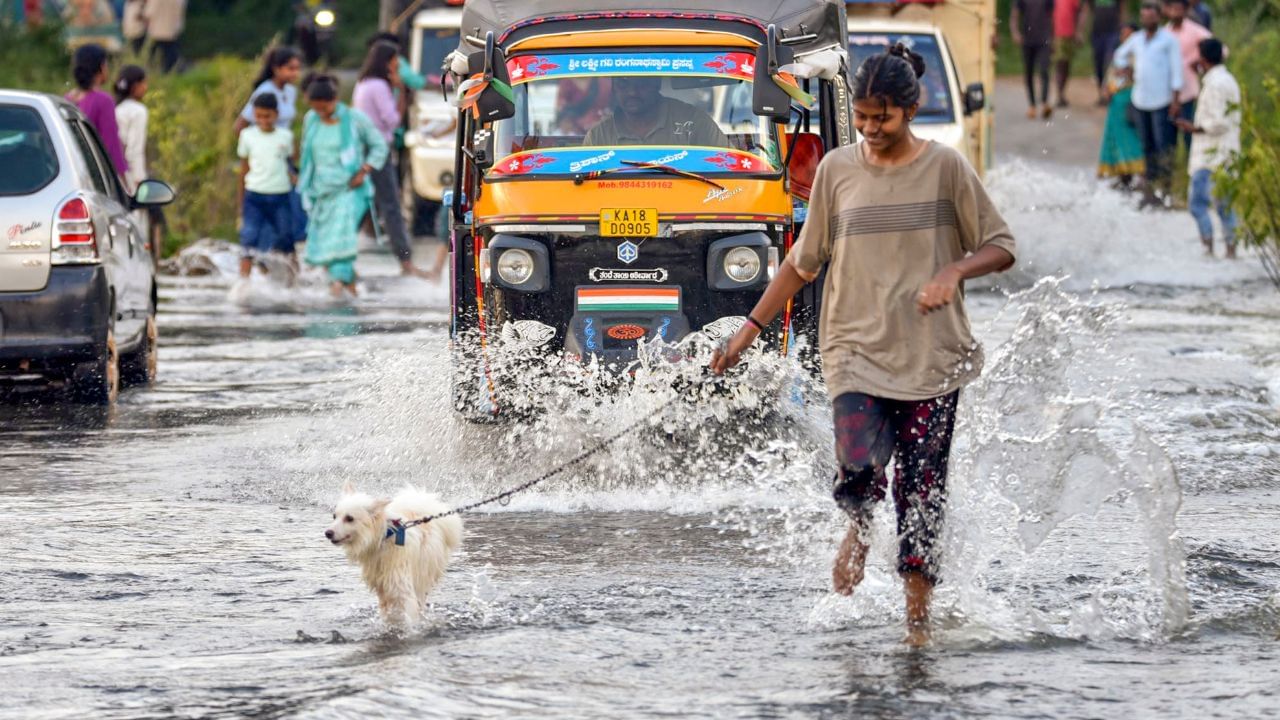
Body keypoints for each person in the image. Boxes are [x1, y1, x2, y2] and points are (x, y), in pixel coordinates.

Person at [710, 44, 1016, 645]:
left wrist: (953, 272)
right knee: (858, 467)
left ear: (911, 108)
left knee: (922, 491)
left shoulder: (947, 169)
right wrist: (748, 331)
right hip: (852, 350)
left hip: (932, 358)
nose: (872, 129)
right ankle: (857, 525)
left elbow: (1001, 245)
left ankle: (917, 619)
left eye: (884, 117)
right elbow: (802, 264)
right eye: (865, 116)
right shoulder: (837, 170)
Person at [297, 76, 389, 297]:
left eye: (325, 108)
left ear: (335, 100)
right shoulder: (311, 119)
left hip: (350, 189)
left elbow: (379, 145)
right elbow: (306, 151)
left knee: (341, 240)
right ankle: (351, 290)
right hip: (322, 190)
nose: (321, 113)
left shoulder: (355, 119)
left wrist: (364, 169)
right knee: (325, 241)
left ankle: (336, 289)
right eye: (316, 109)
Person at [353, 41, 431, 278]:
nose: (399, 65)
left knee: (363, 203)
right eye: (396, 60)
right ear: (388, 61)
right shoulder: (380, 86)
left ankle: (334, 253)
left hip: (363, 147)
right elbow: (392, 120)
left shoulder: (363, 83)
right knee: (391, 205)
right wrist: (400, 92)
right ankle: (405, 260)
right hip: (378, 148)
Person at [236, 47, 306, 255]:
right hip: (266, 158)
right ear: (276, 69)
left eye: (297, 69)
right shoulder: (265, 91)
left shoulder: (290, 92)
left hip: (284, 155)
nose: (295, 73)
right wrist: (257, 148)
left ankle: (283, 261)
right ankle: (262, 259)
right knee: (265, 213)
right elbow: (241, 125)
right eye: (290, 68)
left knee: (290, 213)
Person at [1113, 3, 1183, 206]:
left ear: (1158, 18)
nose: (1147, 21)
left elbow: (1177, 72)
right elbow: (1119, 56)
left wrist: (1176, 100)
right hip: (1141, 100)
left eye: (1150, 17)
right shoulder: (1136, 40)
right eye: (1144, 17)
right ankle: (1151, 191)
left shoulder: (1169, 41)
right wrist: (1126, 70)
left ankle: (1166, 189)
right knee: (1147, 147)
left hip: (1162, 101)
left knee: (1164, 146)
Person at [1176, 38, 1240, 258]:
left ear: (1203, 59)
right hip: (1225, 153)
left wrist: (1194, 128)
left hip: (1212, 156)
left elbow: (1219, 122)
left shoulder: (1216, 84)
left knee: (1198, 205)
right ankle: (1230, 252)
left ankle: (1209, 251)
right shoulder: (1224, 80)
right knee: (1225, 205)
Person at [237, 94, 297, 279]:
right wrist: (239, 202)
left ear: (276, 115)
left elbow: (291, 162)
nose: (263, 120)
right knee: (249, 237)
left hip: (280, 195)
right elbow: (244, 168)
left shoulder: (285, 136)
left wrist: (295, 178)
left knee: (286, 237)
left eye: (267, 116)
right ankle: (243, 283)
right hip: (254, 194)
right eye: (259, 116)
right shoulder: (247, 135)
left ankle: (293, 281)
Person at [584, 76, 729, 148]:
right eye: (623, 83)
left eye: (641, 83)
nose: (632, 92)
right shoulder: (598, 136)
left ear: (656, 84)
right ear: (614, 87)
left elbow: (731, 168)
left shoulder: (694, 122)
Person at [67, 44, 128, 176]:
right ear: (101, 68)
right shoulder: (103, 101)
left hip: (73, 172)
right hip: (96, 175)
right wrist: (121, 180)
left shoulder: (68, 99)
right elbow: (110, 145)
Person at [1097, 24, 1146, 186]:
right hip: (1115, 101)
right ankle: (1122, 175)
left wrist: (1129, 73)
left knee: (1131, 138)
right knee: (1116, 138)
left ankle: (1138, 175)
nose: (1125, 38)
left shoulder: (1139, 55)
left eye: (1129, 35)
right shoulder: (1119, 54)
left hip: (1130, 99)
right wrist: (1106, 90)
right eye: (1123, 34)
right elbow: (1110, 75)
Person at [1163, 0, 1212, 151]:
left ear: (1186, 10)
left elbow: (1220, 49)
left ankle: (1189, 167)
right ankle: (1168, 169)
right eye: (1172, 8)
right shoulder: (1164, 33)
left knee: (1189, 133)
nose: (1175, 12)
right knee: (1167, 136)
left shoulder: (1195, 31)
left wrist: (1199, 62)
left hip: (1188, 91)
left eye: (1178, 8)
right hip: (1167, 93)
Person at [1011, 0, 1055, 119]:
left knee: (1044, 69)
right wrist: (1015, 32)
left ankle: (1045, 103)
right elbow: (1015, 14)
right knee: (1028, 73)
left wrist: (1053, 38)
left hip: (1044, 39)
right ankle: (1032, 106)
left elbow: (1053, 15)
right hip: (1027, 40)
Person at [113, 64, 148, 193]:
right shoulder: (138, 111)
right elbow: (134, 150)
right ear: (135, 86)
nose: (146, 87)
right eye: (144, 83)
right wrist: (139, 179)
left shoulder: (117, 109)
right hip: (131, 177)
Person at [1088, 0, 1126, 105]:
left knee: (1109, 63)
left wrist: (1124, 30)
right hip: (1097, 32)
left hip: (1113, 32)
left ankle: (1110, 93)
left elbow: (1123, 10)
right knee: (1098, 64)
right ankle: (1102, 94)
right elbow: (1089, 9)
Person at [1052, 0, 1088, 107]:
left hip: (1070, 35)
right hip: (1057, 35)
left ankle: (1061, 94)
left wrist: (1079, 31)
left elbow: (1081, 12)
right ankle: (1059, 94)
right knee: (1060, 64)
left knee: (1066, 65)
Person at [143, 0, 186, 73]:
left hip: (157, 31)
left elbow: (148, 14)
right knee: (171, 57)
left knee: (154, 58)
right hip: (172, 31)